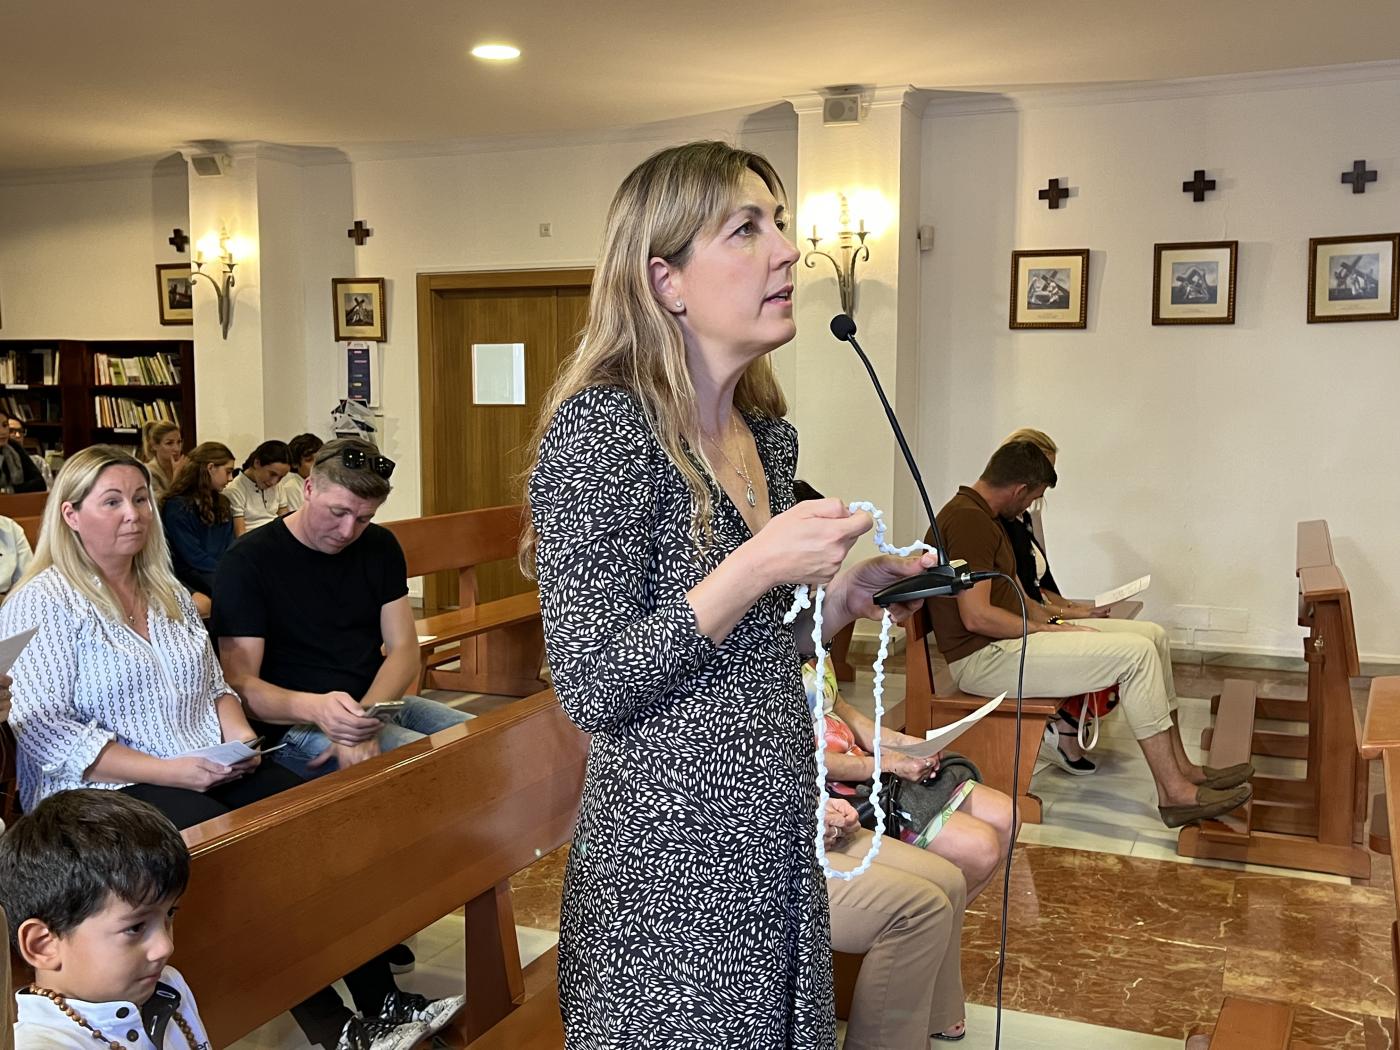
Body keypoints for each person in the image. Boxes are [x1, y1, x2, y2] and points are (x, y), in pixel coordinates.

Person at [522, 140, 944, 1048]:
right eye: (745, 229)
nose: (787, 250)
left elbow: (757, 643)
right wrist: (755, 565)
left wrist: (838, 602)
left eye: (780, 224)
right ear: (666, 280)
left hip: (773, 815)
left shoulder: (766, 437)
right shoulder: (601, 432)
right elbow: (594, 685)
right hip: (671, 855)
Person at [927, 440, 1252, 828]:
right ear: (1020, 490)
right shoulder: (968, 521)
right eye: (1034, 497)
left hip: (1009, 643)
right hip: (983, 660)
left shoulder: (985, 516)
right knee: (1136, 656)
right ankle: (1174, 794)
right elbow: (977, 617)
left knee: (1151, 636)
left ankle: (1183, 769)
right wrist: (1045, 630)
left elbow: (1018, 594)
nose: (1031, 506)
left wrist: (1060, 621)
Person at [0, 446, 304, 822]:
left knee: (299, 808)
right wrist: (172, 772)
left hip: (201, 761)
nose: (133, 514)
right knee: (212, 834)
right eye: (112, 502)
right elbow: (49, 733)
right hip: (96, 789)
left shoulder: (168, 591)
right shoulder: (43, 601)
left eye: (140, 499)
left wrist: (242, 740)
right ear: (71, 515)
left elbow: (214, 686)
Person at [214, 437, 473, 781]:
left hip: (370, 706)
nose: (348, 530)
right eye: (338, 512)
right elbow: (239, 686)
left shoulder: (380, 547)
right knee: (430, 768)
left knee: (487, 738)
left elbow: (404, 650)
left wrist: (361, 722)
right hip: (294, 725)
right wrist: (322, 711)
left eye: (364, 518)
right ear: (308, 489)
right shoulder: (247, 561)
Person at [0, 789, 213, 1049]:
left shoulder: (168, 984)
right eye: (135, 927)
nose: (166, 947)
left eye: (169, 914)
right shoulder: (42, 1044)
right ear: (44, 945)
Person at [808, 659, 1015, 904]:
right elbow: (796, 759)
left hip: (860, 762)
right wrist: (886, 763)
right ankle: (922, 929)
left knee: (1007, 816)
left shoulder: (814, 632)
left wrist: (906, 745)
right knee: (980, 849)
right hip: (829, 789)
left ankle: (938, 929)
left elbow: (839, 708)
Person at [824, 798, 968, 1048]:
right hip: (750, 848)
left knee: (949, 880)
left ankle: (915, 1034)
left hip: (789, 809)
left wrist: (822, 801)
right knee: (921, 910)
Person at [160, 441, 237, 618]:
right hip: (189, 574)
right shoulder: (177, 506)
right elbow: (192, 556)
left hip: (217, 569)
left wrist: (232, 569)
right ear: (210, 468)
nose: (231, 478)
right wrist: (226, 573)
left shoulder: (223, 503)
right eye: (228, 471)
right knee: (235, 594)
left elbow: (230, 545)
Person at [226, 440, 291, 535]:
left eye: (281, 477)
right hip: (253, 543)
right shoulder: (235, 490)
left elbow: (285, 522)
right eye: (272, 474)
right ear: (257, 463)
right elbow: (240, 535)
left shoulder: (278, 486)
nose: (274, 482)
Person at [0, 415, 46, 494]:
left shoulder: (14, 447)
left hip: (14, 502)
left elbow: (40, 484)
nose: (2, 431)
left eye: (5, 425)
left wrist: (8, 491)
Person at [140, 420, 184, 502]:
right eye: (169, 443)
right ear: (154, 446)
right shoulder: (148, 472)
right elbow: (160, 505)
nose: (177, 449)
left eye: (179, 442)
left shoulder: (184, 467)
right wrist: (176, 479)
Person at [281, 432, 324, 513]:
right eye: (309, 460)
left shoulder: (321, 483)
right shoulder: (292, 487)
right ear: (295, 464)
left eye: (319, 459)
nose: (316, 464)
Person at [8, 417, 52, 489]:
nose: (18, 435)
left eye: (20, 431)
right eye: (11, 431)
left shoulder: (38, 461)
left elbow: (49, 491)